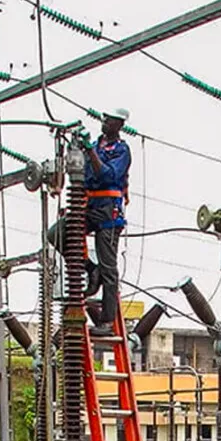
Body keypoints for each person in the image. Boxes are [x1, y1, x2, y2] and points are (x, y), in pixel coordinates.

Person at [46, 108, 131, 336]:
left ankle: (107, 323)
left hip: (109, 212)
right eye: (103, 118)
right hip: (90, 206)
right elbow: (84, 176)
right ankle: (90, 269)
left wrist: (90, 151)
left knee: (109, 267)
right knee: (56, 234)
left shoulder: (121, 150)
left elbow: (107, 176)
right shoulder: (95, 146)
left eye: (109, 120)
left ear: (119, 124)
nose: (104, 122)